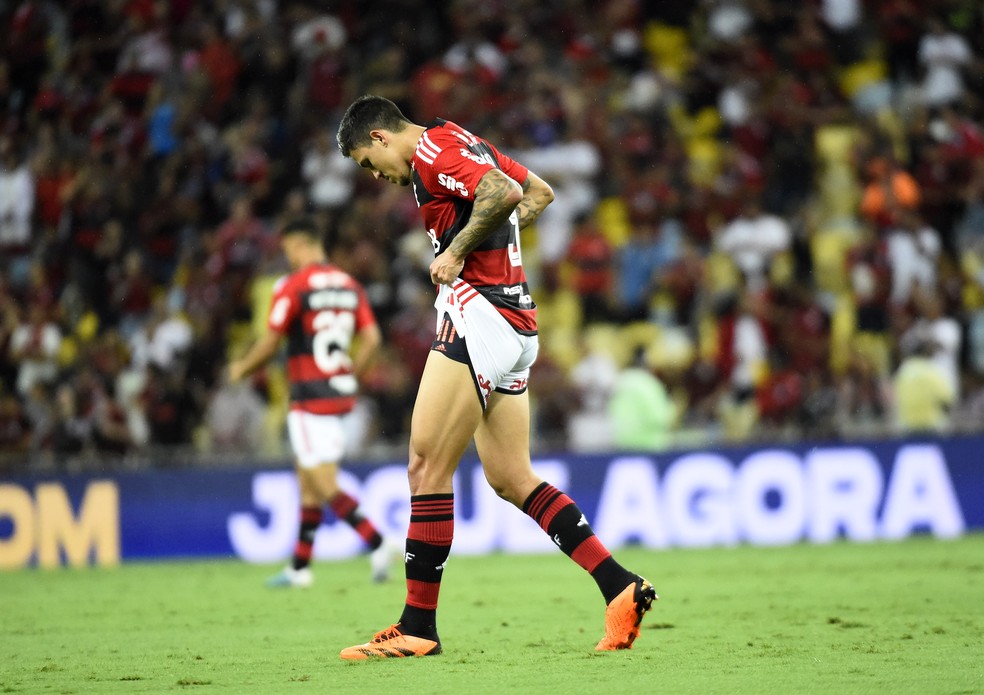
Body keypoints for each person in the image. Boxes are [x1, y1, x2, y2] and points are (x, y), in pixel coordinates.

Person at [333, 95, 657, 659]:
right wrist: (483, 238)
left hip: (477, 315)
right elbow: (538, 193)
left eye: (368, 162)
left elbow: (503, 193)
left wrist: (457, 251)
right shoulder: (457, 136)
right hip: (514, 324)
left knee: (425, 465)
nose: (376, 176)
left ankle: (417, 627)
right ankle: (618, 585)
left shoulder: (432, 153)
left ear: (381, 138)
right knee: (510, 476)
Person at [227, 218, 399, 587]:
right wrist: (352, 373)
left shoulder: (293, 286)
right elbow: (372, 338)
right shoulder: (349, 285)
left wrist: (242, 368)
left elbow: (271, 342)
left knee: (321, 482)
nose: (288, 257)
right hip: (338, 392)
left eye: (289, 250)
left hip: (307, 396)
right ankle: (300, 568)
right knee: (308, 481)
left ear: (301, 245)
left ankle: (378, 541)